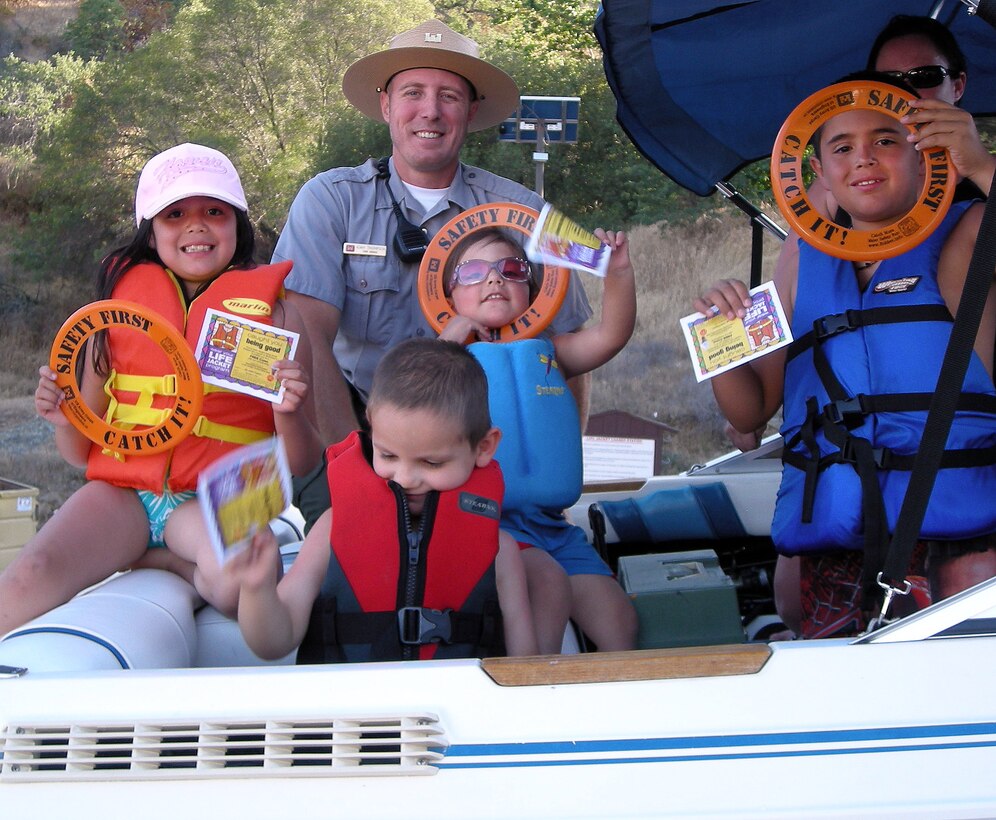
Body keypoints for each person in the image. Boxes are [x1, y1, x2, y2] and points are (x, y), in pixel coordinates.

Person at [696, 74, 996, 639]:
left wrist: (980, 164)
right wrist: (724, 338)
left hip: (956, 550)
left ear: (926, 153)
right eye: (842, 147)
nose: (864, 158)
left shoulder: (974, 230)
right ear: (821, 173)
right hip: (837, 556)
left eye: (886, 139)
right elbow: (748, 412)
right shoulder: (800, 258)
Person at [272, 19, 593, 530]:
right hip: (362, 434)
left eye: (448, 95)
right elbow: (305, 335)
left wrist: (556, 471)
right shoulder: (328, 199)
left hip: (487, 441)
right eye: (413, 92)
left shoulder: (529, 211)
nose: (430, 111)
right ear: (386, 105)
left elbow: (569, 345)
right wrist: (353, 466)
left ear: (470, 111)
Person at [0, 143, 321, 636]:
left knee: (239, 587)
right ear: (150, 231)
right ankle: (156, 557)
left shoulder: (278, 316)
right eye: (175, 215)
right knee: (26, 580)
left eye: (214, 211)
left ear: (238, 223)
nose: (196, 226)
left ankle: (168, 564)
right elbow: (79, 453)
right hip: (124, 493)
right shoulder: (115, 313)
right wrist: (65, 419)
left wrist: (288, 413)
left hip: (220, 496)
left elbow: (302, 462)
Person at [227, 338, 538, 662]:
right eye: (388, 455)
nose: (404, 478)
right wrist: (256, 587)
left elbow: (523, 665)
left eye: (432, 463)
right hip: (352, 711)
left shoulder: (500, 553)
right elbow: (274, 642)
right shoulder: (331, 529)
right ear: (371, 429)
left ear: (484, 447)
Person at [438, 226, 638, 653]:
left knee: (621, 627)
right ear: (449, 295)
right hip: (487, 528)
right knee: (546, 592)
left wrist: (618, 272)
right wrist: (444, 348)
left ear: (531, 290)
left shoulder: (553, 351)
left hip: (554, 528)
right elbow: (410, 410)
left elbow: (612, 335)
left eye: (510, 270)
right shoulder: (441, 361)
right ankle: (531, 700)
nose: (494, 279)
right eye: (473, 272)